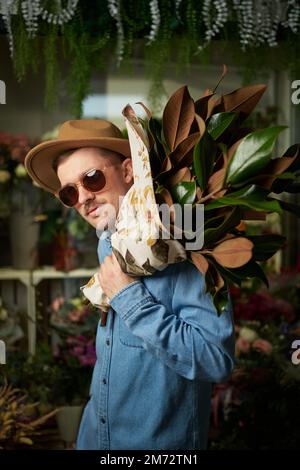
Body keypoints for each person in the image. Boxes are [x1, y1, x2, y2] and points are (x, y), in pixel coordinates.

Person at [25, 118, 235, 451]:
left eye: (92, 178)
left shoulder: (183, 242)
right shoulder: (107, 241)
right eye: (69, 192)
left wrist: (129, 298)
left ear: (127, 171)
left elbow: (216, 359)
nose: (83, 198)